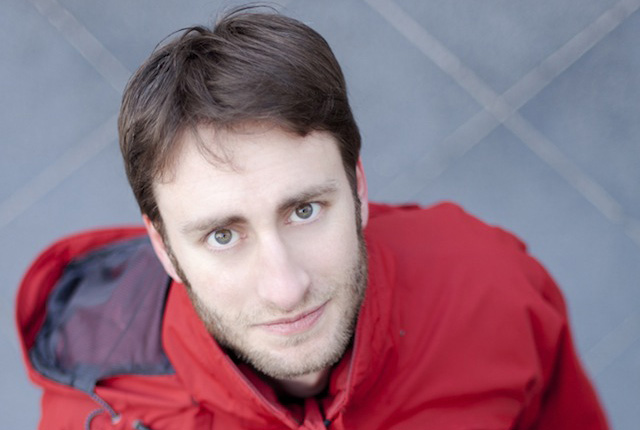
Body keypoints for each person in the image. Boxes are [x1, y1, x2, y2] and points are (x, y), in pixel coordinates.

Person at [16, 7, 609, 430]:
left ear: (358, 188)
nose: (286, 288)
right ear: (165, 248)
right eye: (222, 235)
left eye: (304, 210)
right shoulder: (95, 412)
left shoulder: (496, 289)